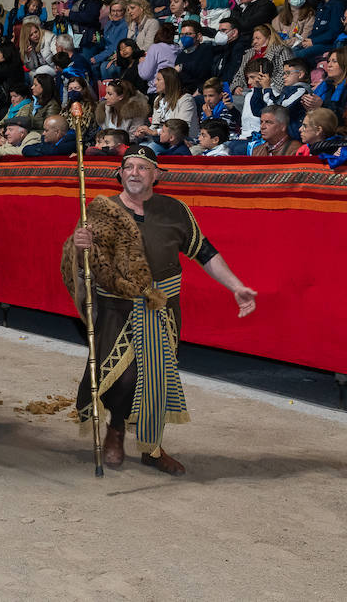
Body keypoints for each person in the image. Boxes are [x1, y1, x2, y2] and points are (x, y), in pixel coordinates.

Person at [67, 146, 256, 476]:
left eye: (143, 167)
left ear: (157, 174)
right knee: (122, 378)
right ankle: (116, 430)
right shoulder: (101, 211)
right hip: (115, 307)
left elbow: (205, 252)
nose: (135, 172)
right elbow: (85, 262)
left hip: (161, 310)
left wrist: (236, 285)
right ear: (120, 174)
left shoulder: (175, 211)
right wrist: (79, 244)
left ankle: (152, 449)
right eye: (129, 167)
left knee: (154, 380)